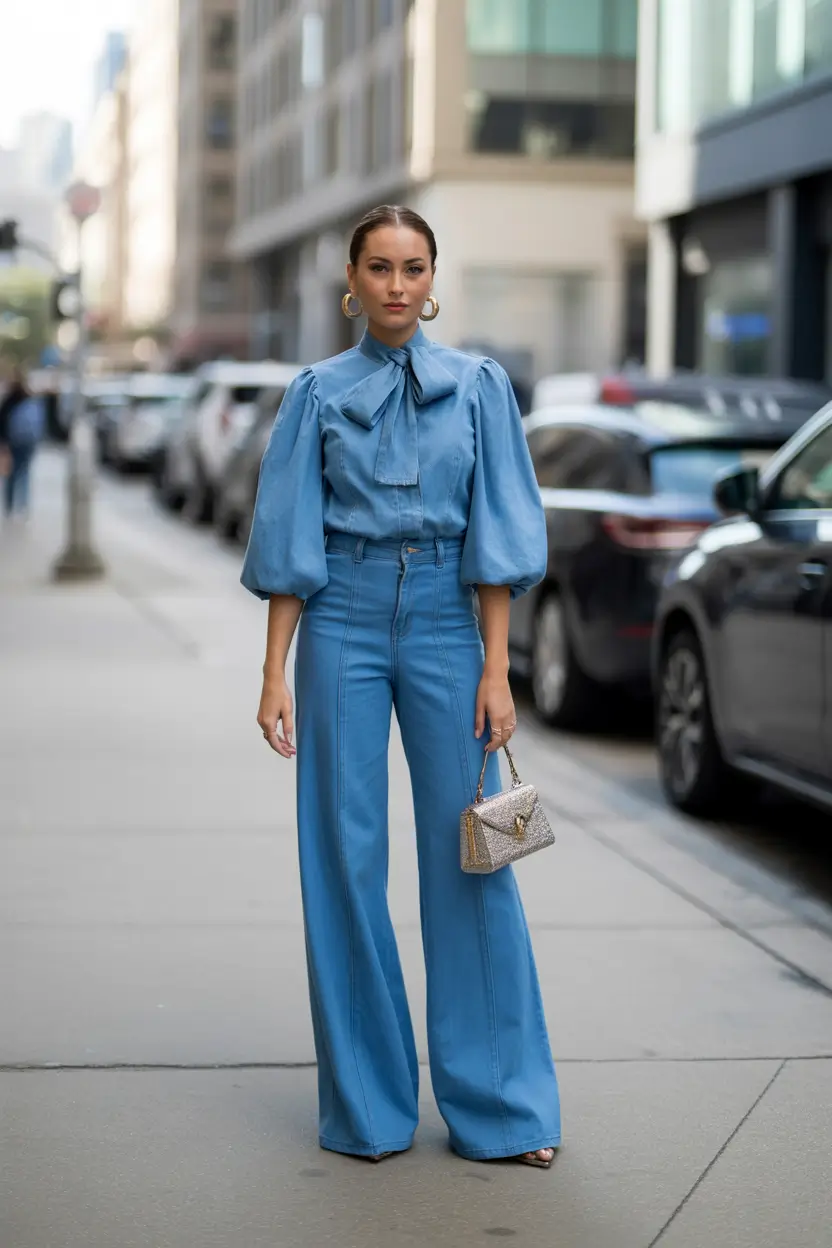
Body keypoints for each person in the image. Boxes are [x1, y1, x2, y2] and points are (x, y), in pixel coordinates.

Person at [241, 205, 560, 1168]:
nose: (396, 285)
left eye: (412, 267)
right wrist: (273, 672)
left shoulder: (479, 388)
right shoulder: (314, 392)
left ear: (432, 279)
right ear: (351, 280)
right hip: (339, 619)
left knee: (474, 855)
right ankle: (369, 1110)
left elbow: (496, 534)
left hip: (445, 625)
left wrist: (497, 668)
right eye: (378, 268)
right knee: (343, 858)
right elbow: (291, 537)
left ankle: (503, 1109)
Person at [0, 367, 45, 522]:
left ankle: (10, 506)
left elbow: (2, 424)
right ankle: (23, 506)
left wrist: (3, 444)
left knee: (11, 474)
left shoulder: (8, 401)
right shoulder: (30, 398)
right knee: (24, 473)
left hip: (12, 442)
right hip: (28, 442)